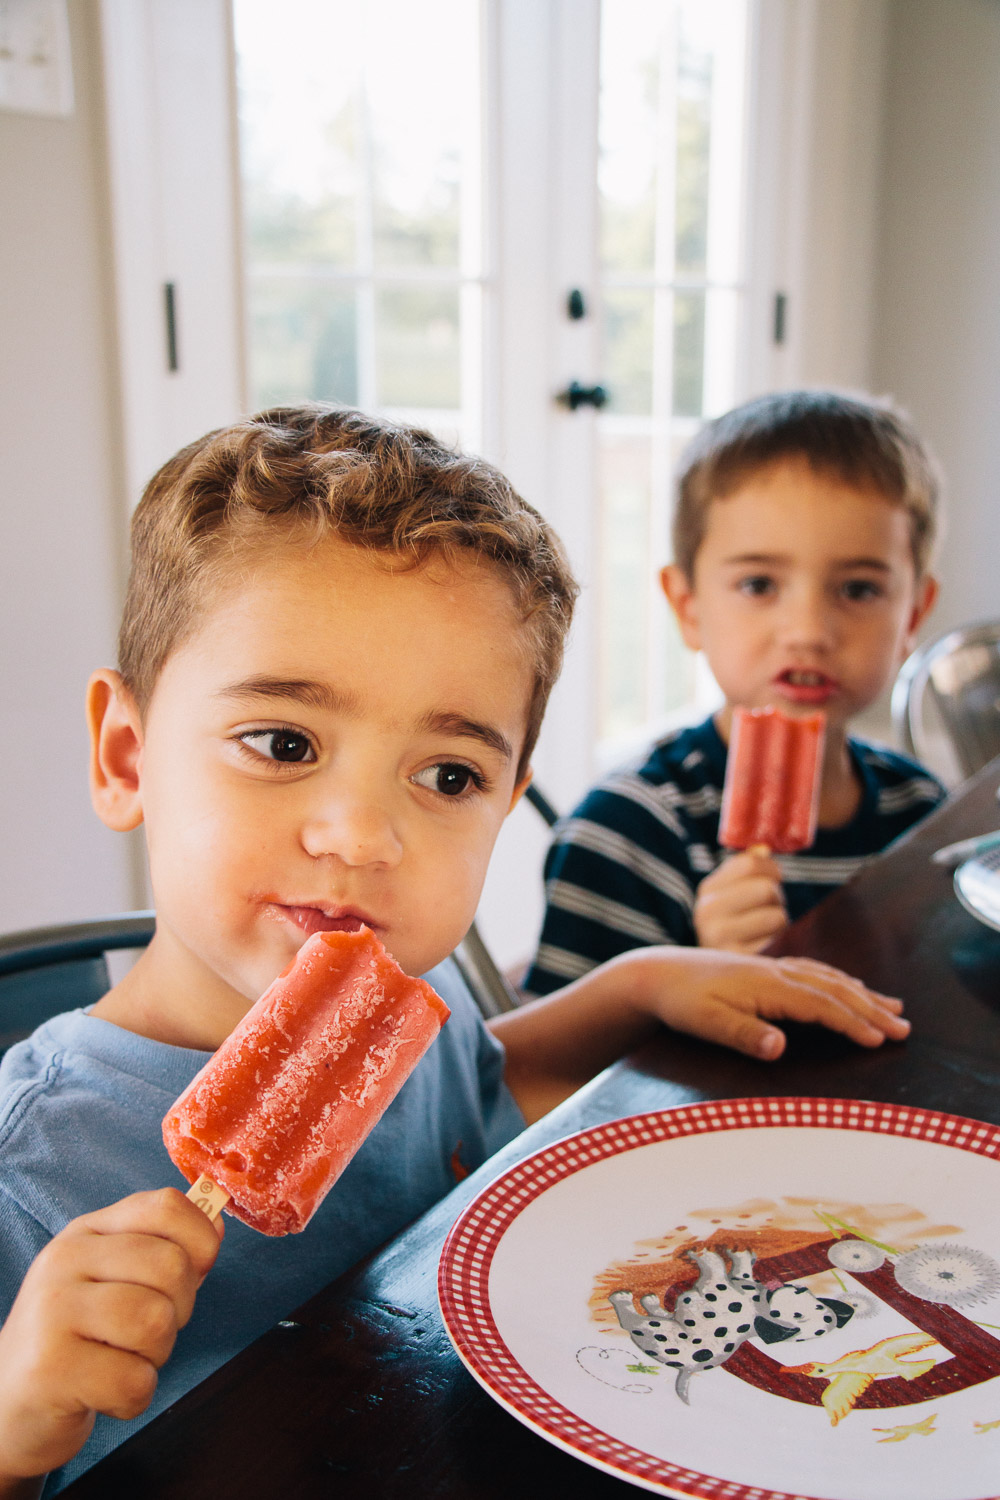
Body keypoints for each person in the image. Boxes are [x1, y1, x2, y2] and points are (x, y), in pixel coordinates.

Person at [0, 405, 909, 1496]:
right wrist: (13, 1423)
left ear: (509, 800)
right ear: (126, 756)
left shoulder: (403, 1002)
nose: (365, 836)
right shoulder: (34, 1167)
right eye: (284, 744)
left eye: (448, 777)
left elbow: (485, 1083)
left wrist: (634, 988)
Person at [524, 389, 944, 996]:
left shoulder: (923, 817)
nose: (807, 632)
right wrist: (698, 975)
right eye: (758, 584)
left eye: (857, 590)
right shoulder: (624, 836)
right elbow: (560, 1077)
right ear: (687, 607)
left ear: (912, 615)